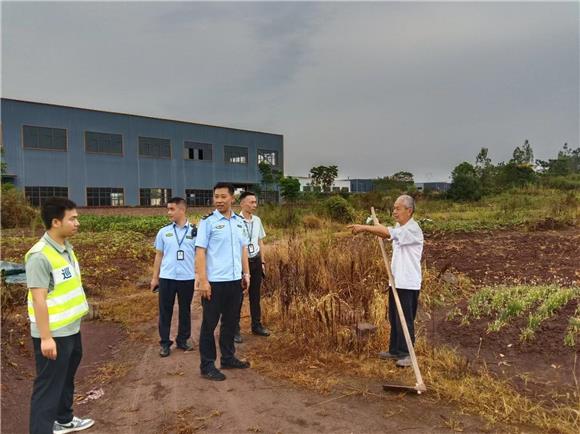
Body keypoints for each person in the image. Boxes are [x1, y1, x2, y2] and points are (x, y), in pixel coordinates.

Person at [24, 197, 95, 434]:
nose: (77, 223)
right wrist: (45, 338)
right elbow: (38, 299)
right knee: (48, 385)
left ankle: (64, 419)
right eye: (72, 218)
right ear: (56, 222)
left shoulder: (65, 248)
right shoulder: (39, 256)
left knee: (65, 378)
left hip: (71, 329)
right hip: (53, 334)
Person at [348, 194, 424, 368]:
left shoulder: (413, 229)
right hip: (396, 281)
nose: (394, 212)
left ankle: (407, 354)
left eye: (398, 208)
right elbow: (389, 232)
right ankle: (395, 350)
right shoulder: (400, 226)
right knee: (394, 318)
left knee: (405, 318)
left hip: (408, 282)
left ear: (409, 210)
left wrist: (365, 228)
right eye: (394, 208)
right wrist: (380, 230)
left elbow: (389, 233)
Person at [195, 182, 251, 381]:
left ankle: (228, 357)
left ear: (232, 199)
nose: (218, 200)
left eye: (223, 197)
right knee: (209, 324)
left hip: (235, 282)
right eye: (216, 197)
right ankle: (207, 365)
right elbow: (200, 251)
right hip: (215, 283)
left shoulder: (239, 222)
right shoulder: (207, 222)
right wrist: (203, 281)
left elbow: (243, 249)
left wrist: (247, 274)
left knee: (230, 322)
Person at [150, 197, 197, 357]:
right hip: (167, 277)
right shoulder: (164, 232)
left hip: (187, 278)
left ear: (182, 210)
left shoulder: (195, 232)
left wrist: (201, 276)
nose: (168, 212)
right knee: (165, 311)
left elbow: (201, 255)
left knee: (185, 310)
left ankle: (183, 340)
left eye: (171, 209)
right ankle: (164, 343)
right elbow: (159, 255)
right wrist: (155, 278)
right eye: (168, 209)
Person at [234, 191, 270, 343]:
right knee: (237, 297)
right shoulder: (235, 221)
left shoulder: (257, 220)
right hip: (241, 263)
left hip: (255, 261)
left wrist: (262, 262)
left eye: (255, 202)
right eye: (251, 202)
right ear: (242, 203)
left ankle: (256, 325)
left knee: (255, 296)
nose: (254, 205)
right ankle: (234, 330)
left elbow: (260, 242)